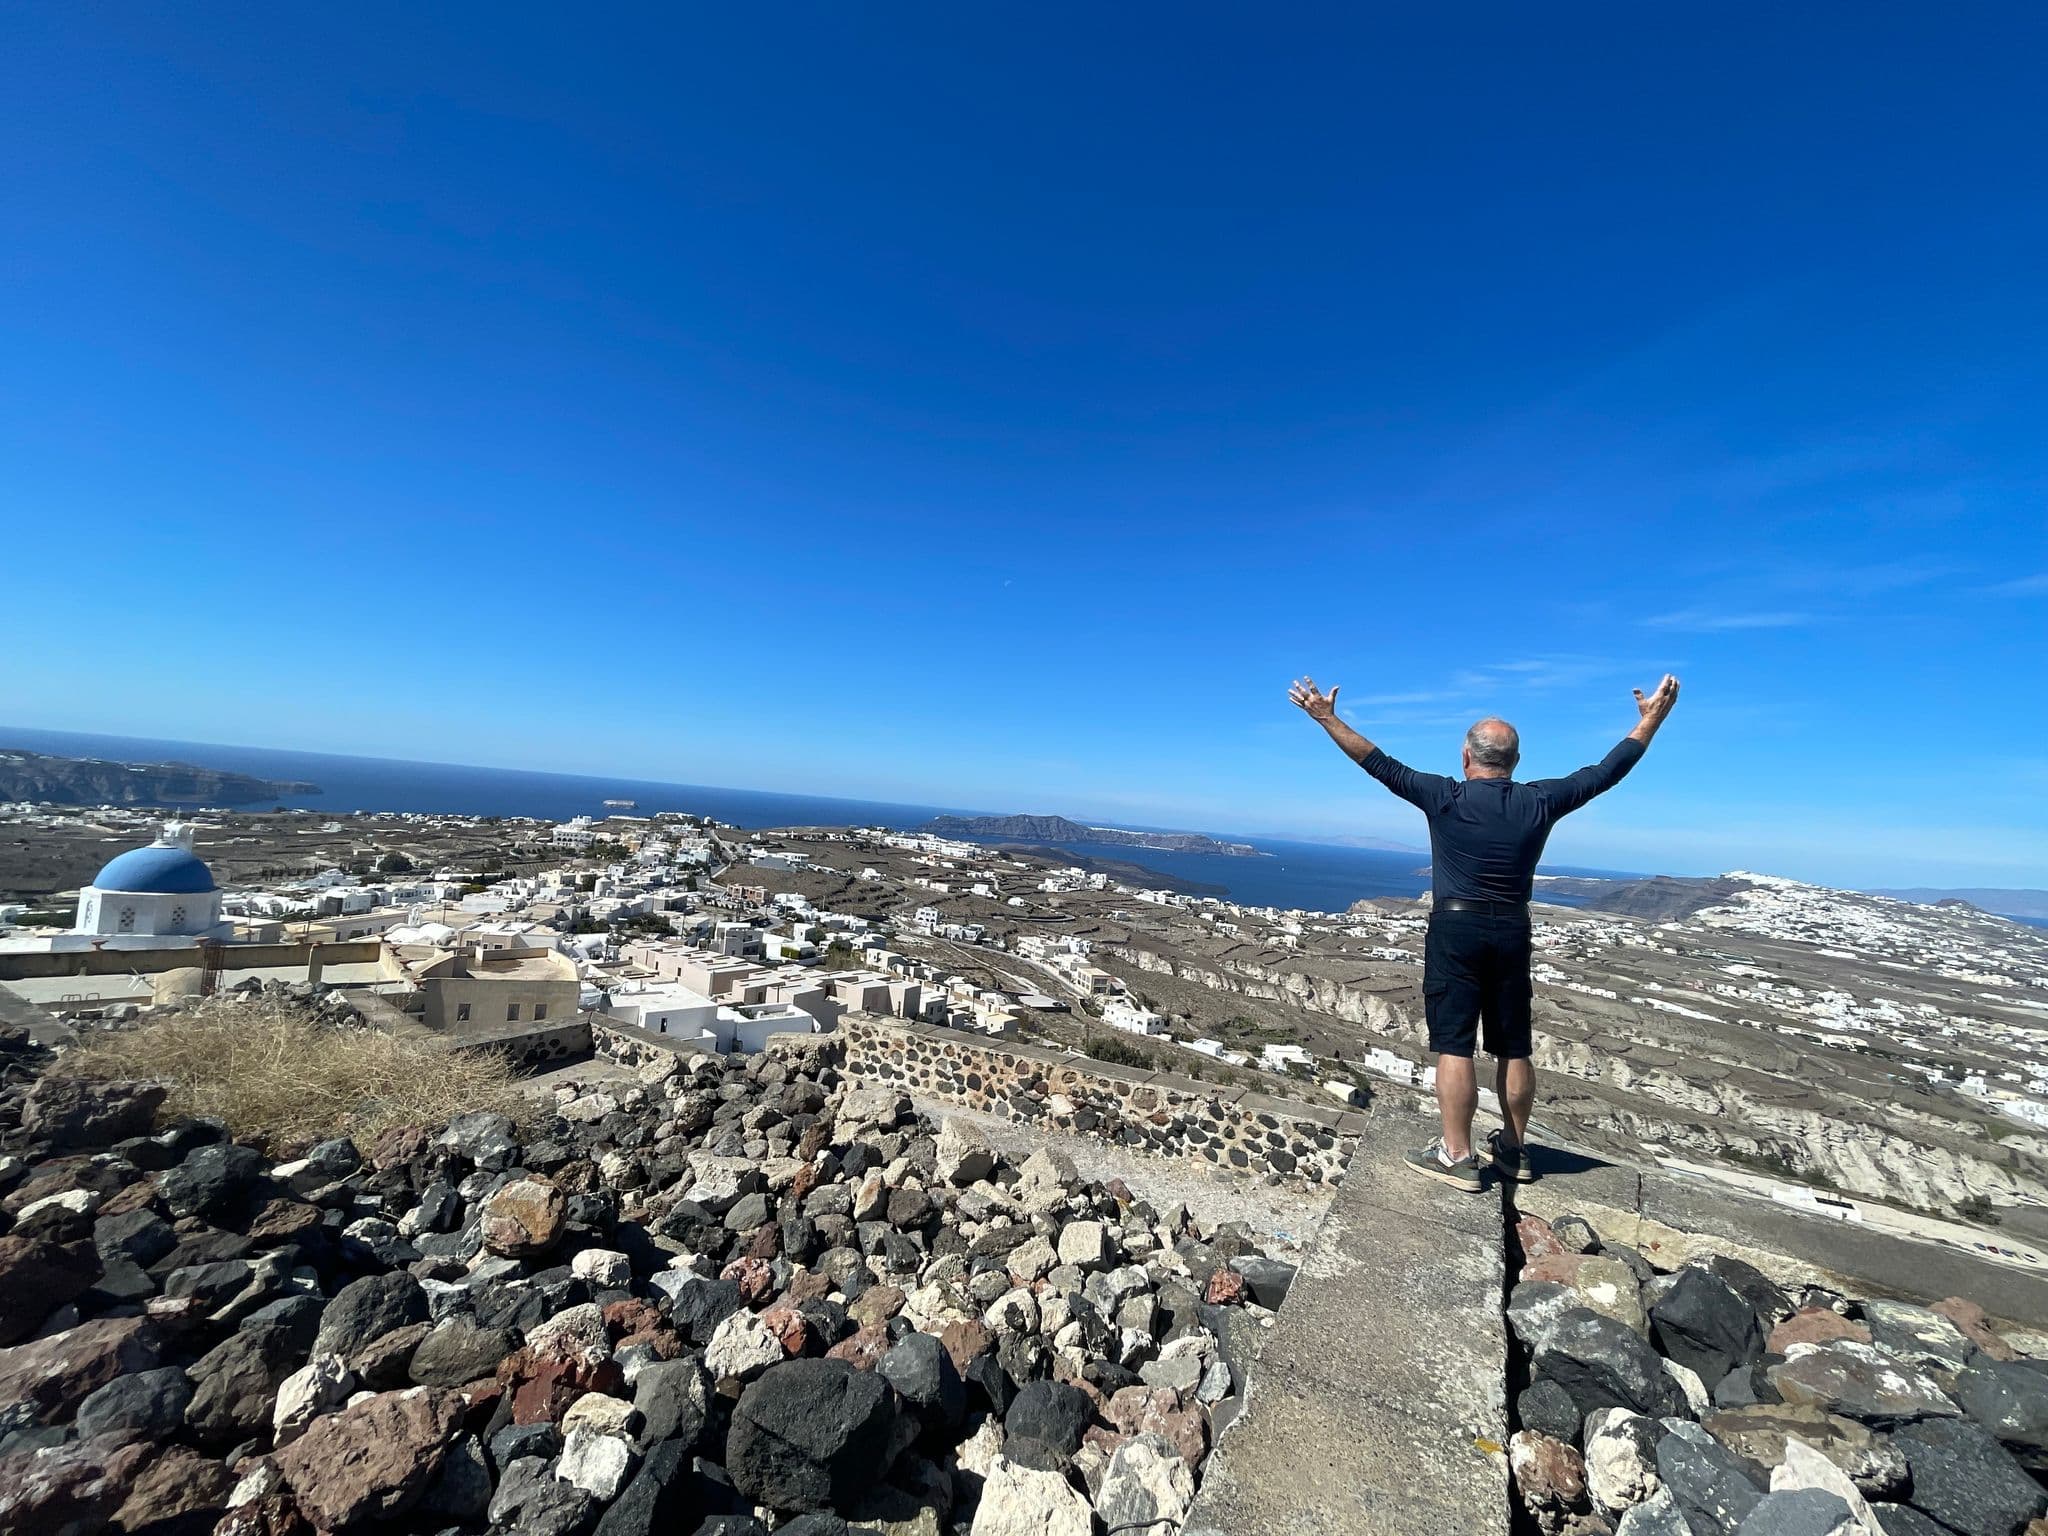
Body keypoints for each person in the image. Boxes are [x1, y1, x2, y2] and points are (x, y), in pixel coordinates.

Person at [1288, 673, 1681, 1190]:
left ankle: (1456, 1155)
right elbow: (1607, 771)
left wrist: (1325, 717)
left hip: (1456, 929)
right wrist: (1651, 719)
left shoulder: (1443, 797)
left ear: (1466, 757)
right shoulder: (1541, 800)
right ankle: (1515, 1150)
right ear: (1514, 762)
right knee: (1513, 1046)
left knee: (1454, 1044)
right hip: (1513, 929)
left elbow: (1376, 762)